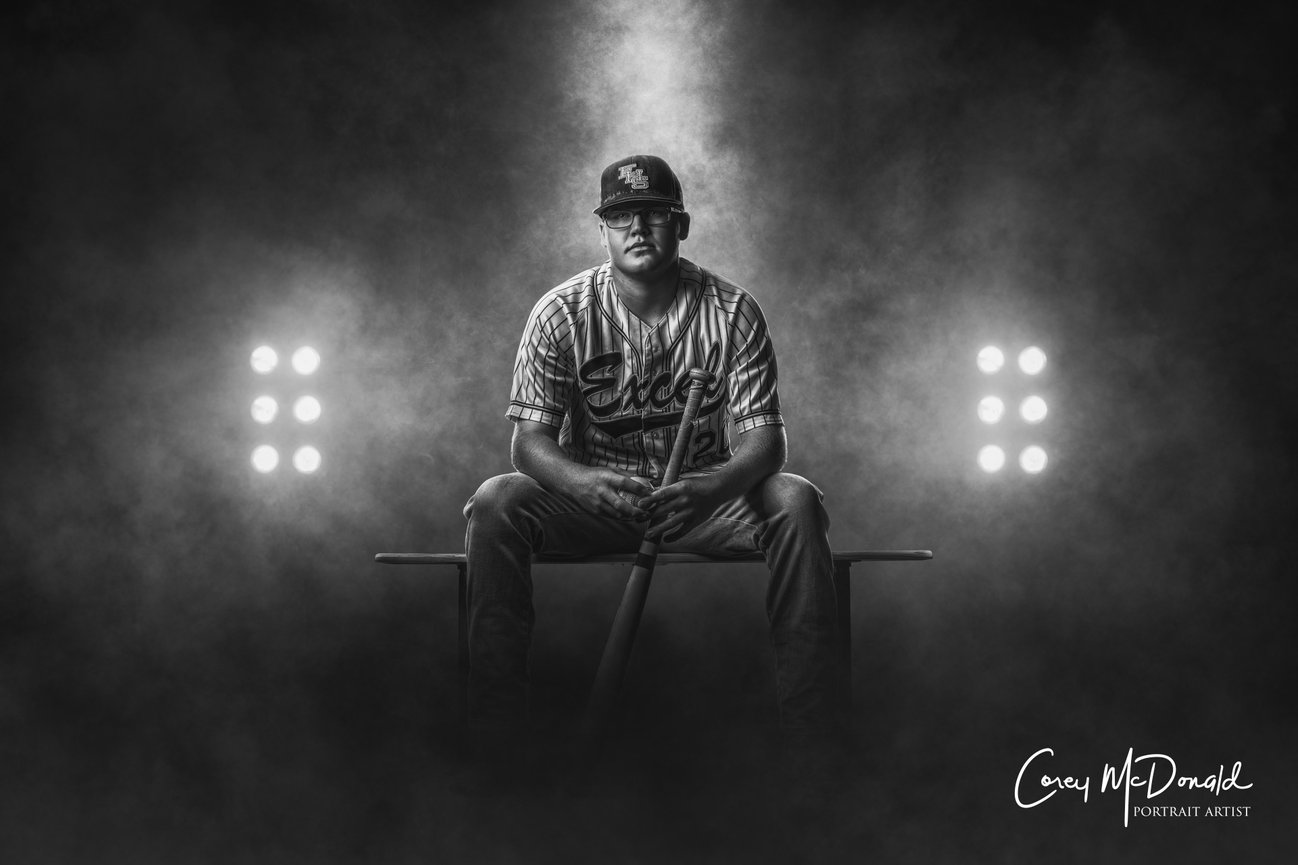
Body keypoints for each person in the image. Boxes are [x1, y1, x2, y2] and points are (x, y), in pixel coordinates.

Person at [462, 154, 840, 795]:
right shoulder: (560, 313)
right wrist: (581, 484)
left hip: (703, 500)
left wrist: (710, 489)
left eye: (655, 214)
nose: (639, 228)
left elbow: (764, 444)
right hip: (593, 500)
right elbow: (529, 445)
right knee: (496, 501)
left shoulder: (732, 312)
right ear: (603, 228)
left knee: (797, 500)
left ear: (682, 223)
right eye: (621, 216)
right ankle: (497, 743)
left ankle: (815, 748)